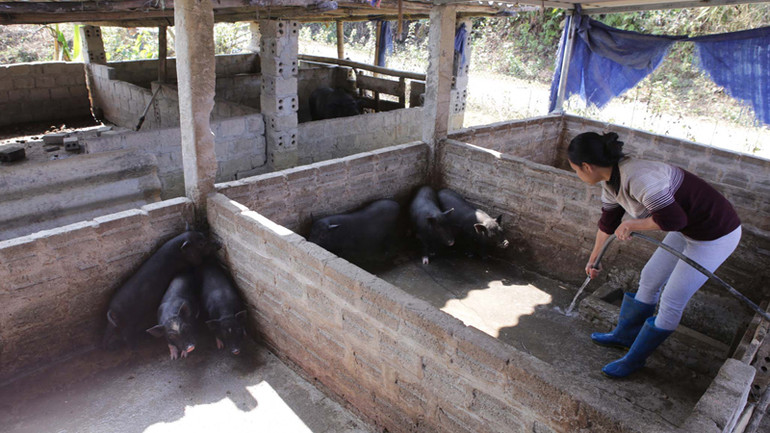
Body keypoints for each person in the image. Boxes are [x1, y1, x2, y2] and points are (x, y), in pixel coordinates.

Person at [568, 131, 742, 378]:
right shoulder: (610, 183)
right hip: (687, 229)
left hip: (716, 235)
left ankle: (634, 360)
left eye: (575, 169)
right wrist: (594, 258)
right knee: (650, 277)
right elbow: (607, 224)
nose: (577, 174)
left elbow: (672, 218)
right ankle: (624, 336)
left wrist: (633, 225)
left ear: (586, 166)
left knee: (671, 298)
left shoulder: (639, 177)